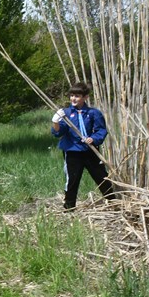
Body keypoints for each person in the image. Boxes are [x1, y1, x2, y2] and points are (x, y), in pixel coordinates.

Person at [51, 82, 116, 210]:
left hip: (90, 150)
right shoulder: (66, 113)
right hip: (72, 151)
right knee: (72, 180)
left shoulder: (93, 113)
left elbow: (101, 130)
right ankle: (69, 207)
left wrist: (93, 139)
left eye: (77, 96)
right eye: (71, 95)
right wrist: (55, 121)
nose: (73, 99)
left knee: (101, 177)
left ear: (85, 97)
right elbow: (58, 132)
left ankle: (115, 203)